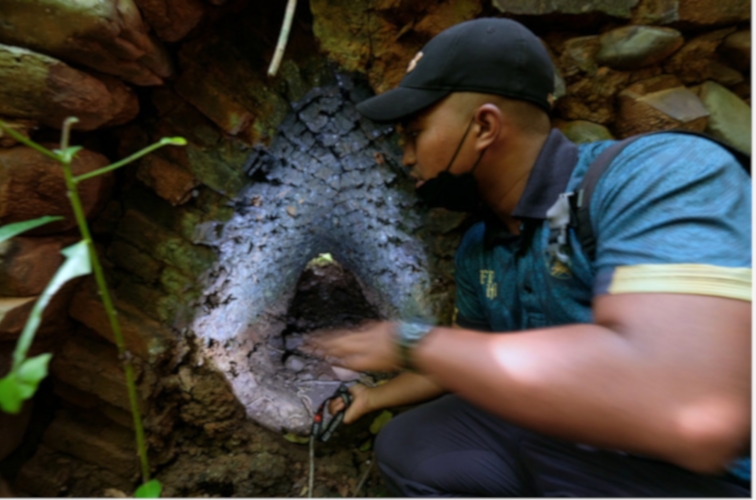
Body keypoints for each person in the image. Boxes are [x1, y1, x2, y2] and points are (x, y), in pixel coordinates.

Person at [314, 17, 751, 497]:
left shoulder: (659, 174)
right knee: (416, 443)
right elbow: (465, 355)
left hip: (688, 472)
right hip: (570, 435)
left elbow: (692, 410)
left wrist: (413, 342)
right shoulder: (480, 247)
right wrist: (374, 396)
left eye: (414, 133)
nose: (407, 158)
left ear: (483, 126)